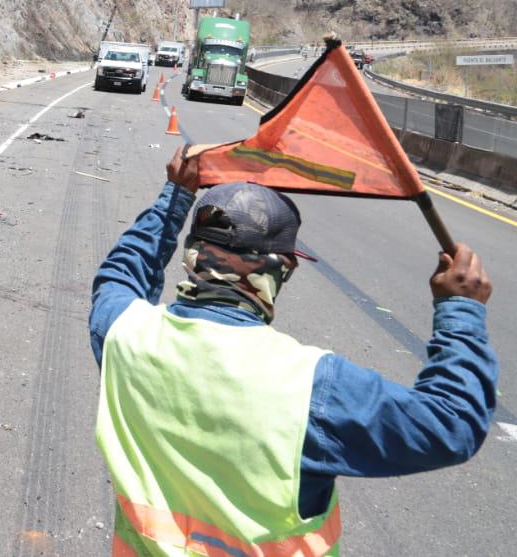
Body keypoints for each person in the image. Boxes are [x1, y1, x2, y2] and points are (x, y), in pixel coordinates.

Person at [89, 147, 496, 556]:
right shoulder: (310, 385)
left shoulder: (124, 333)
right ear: (280, 269)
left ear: (193, 252)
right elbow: (452, 423)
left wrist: (174, 198)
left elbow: (120, 274)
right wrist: (461, 311)